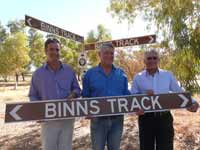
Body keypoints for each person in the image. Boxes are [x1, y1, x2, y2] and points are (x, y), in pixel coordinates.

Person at [131, 49, 199, 150]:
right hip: (145, 119)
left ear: (158, 60)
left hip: (164, 118)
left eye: (155, 58)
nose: (152, 60)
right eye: (149, 58)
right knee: (146, 147)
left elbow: (178, 91)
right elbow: (133, 98)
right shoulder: (138, 78)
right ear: (144, 61)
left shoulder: (167, 75)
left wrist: (193, 102)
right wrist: (141, 99)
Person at [29, 38, 81, 150]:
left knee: (66, 147)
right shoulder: (38, 74)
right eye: (51, 49)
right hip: (48, 121)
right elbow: (33, 95)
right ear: (45, 51)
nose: (55, 52)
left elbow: (77, 89)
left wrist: (73, 94)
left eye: (57, 49)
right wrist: (37, 111)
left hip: (67, 118)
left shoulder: (69, 70)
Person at [82, 43, 130, 150]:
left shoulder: (121, 74)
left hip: (117, 120)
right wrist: (87, 110)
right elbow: (85, 96)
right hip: (97, 120)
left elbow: (127, 95)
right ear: (99, 54)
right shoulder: (90, 74)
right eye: (106, 53)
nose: (109, 56)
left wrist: (142, 102)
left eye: (112, 53)